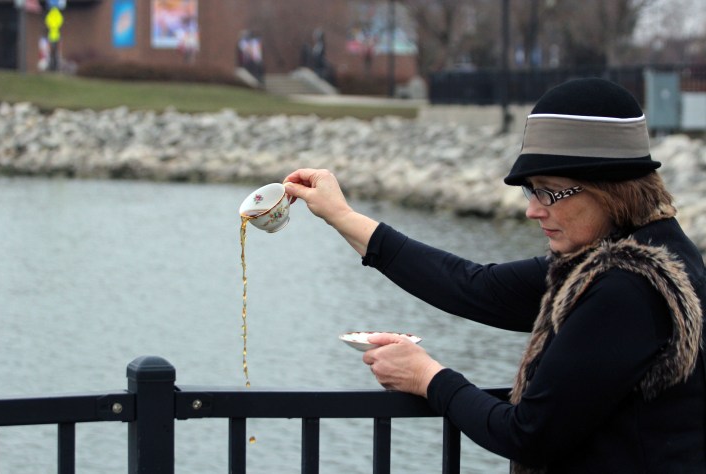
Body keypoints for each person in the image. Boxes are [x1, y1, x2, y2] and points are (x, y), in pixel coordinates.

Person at [283, 78, 706, 473]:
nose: (533, 209)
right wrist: (342, 217)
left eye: (548, 191)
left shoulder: (628, 286)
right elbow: (475, 287)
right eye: (531, 190)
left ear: (608, 188)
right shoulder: (644, 253)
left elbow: (529, 435)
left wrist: (427, 377)